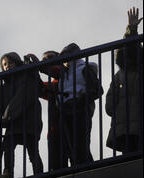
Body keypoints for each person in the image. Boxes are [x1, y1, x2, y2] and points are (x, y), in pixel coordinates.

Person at [0, 52, 44, 178]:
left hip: (28, 119)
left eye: (10, 63)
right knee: (8, 146)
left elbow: (33, 90)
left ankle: (38, 173)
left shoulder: (26, 75)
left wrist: (32, 66)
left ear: (17, 62)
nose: (7, 66)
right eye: (4, 64)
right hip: (14, 120)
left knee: (32, 149)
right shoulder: (5, 85)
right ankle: (7, 173)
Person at [106, 7, 143, 154]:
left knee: (128, 164)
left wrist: (131, 28)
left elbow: (109, 107)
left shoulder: (119, 75)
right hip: (136, 127)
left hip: (122, 130)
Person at [57, 43, 98, 166]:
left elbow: (97, 89)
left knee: (81, 145)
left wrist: (81, 99)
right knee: (71, 148)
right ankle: (80, 170)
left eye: (66, 54)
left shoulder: (84, 68)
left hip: (81, 108)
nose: (64, 59)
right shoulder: (64, 74)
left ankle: (86, 172)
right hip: (65, 110)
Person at [36, 51, 68, 170]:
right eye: (44, 59)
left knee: (78, 161)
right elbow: (40, 88)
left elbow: (58, 72)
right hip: (54, 131)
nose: (46, 60)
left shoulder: (68, 74)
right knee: (56, 168)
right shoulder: (54, 84)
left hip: (70, 127)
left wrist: (39, 65)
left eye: (50, 58)